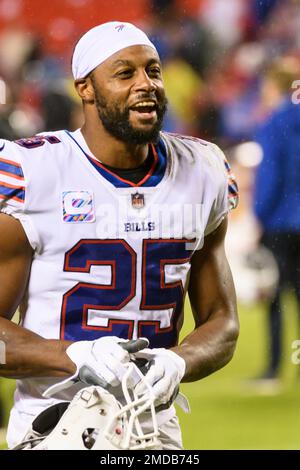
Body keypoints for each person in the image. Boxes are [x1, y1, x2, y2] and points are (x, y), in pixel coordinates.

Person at [0, 21, 239, 450]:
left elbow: (223, 323)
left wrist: (177, 362)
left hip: (154, 429)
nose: (146, 84)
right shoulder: (35, 172)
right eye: (124, 73)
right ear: (85, 89)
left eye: (153, 70)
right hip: (57, 426)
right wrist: (73, 355)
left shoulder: (202, 170)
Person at [253, 57, 300, 383]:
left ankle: (273, 369)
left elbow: (270, 177)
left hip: (281, 223)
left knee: (274, 296)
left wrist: (258, 216)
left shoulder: (273, 123)